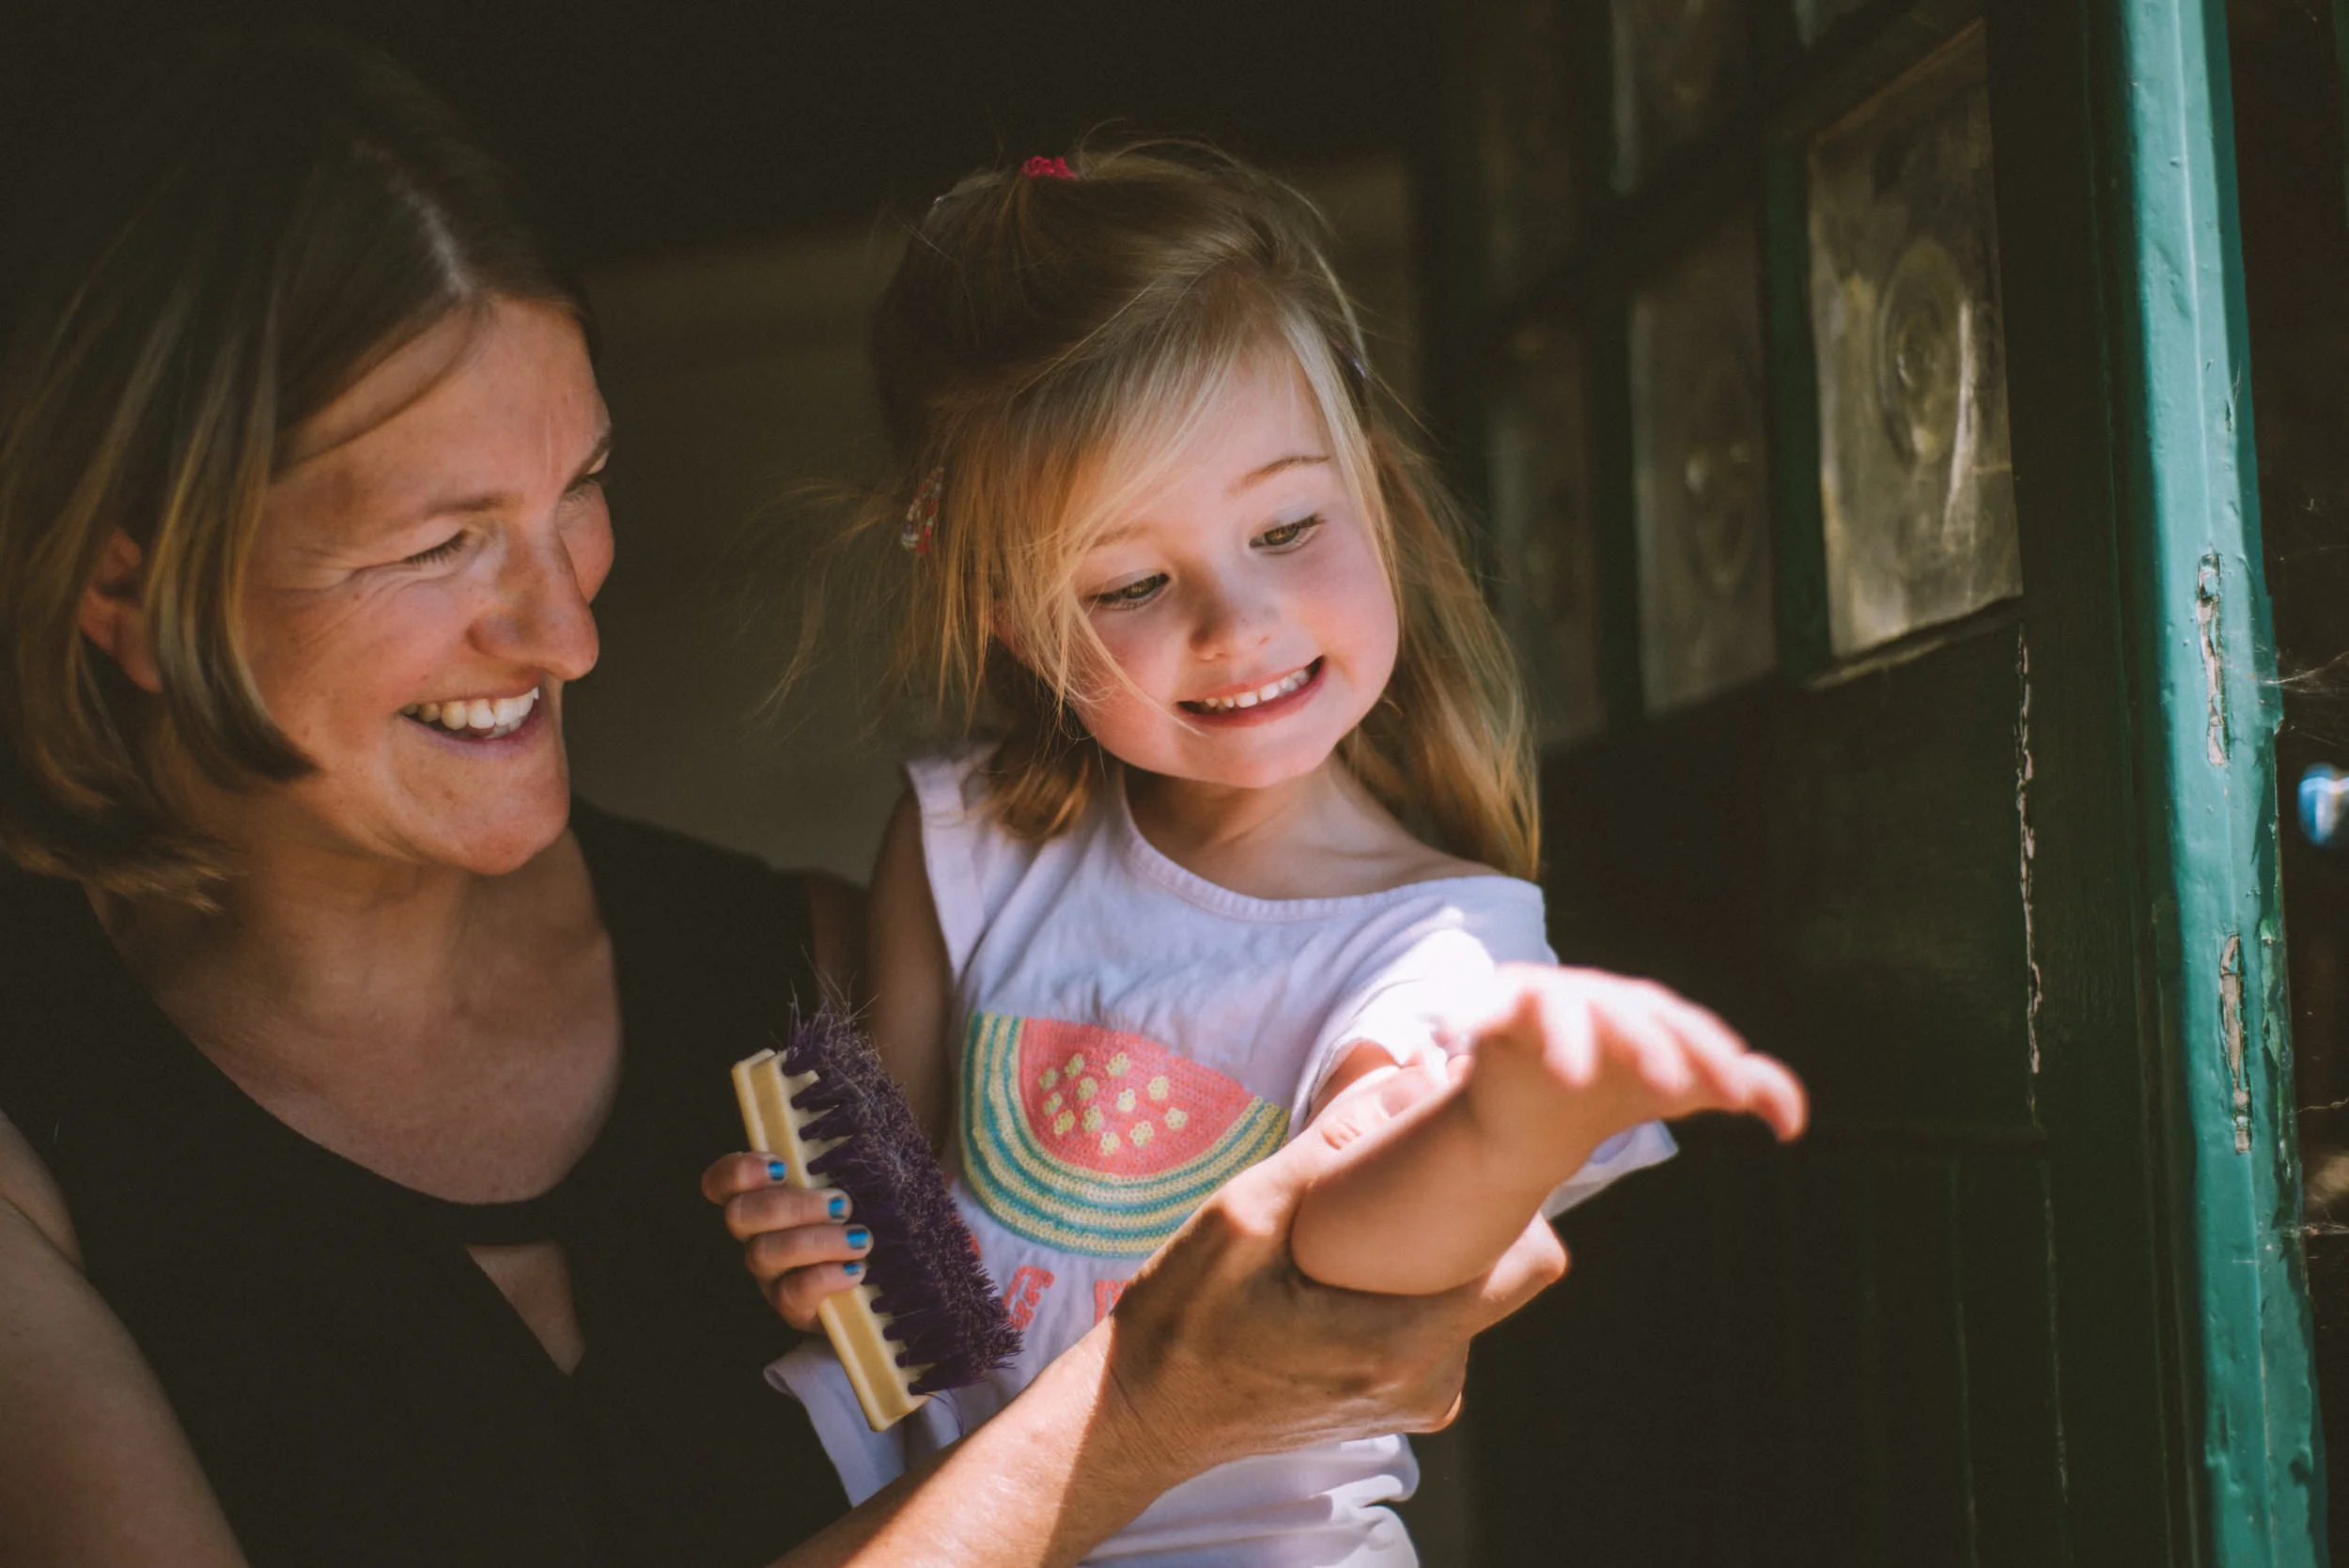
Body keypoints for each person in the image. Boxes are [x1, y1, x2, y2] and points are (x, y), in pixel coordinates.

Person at [0, 39, 1569, 1568]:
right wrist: (1149, 1413)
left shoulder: (830, 993)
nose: (569, 634)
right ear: (125, 590)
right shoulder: (37, 1165)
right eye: (439, 546)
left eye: (582, 491)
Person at [724, 145, 1806, 1565]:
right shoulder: (967, 842)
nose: (1237, 623)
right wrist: (823, 1254)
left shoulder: (1436, 946)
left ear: (1373, 492)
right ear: (1003, 611)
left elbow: (1358, 1251)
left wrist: (1505, 1111)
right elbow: (908, 1224)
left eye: (1287, 526)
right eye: (1129, 584)